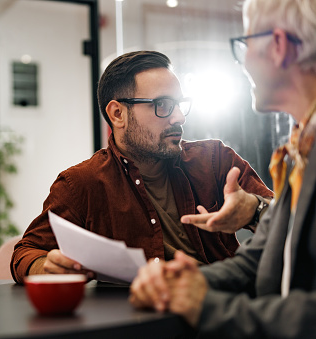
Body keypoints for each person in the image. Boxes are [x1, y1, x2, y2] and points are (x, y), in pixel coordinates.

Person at [129, 0, 316, 337]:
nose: (242, 60)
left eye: (245, 44)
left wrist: (208, 307)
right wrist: (183, 283)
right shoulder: (299, 150)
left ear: (278, 46)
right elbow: (258, 260)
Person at [10, 50, 273, 284]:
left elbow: (294, 222)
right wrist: (46, 267)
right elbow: (26, 251)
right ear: (117, 114)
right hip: (135, 321)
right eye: (163, 105)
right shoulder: (81, 184)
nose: (179, 117)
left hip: (220, 314)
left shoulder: (216, 161)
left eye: (180, 104)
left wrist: (255, 210)